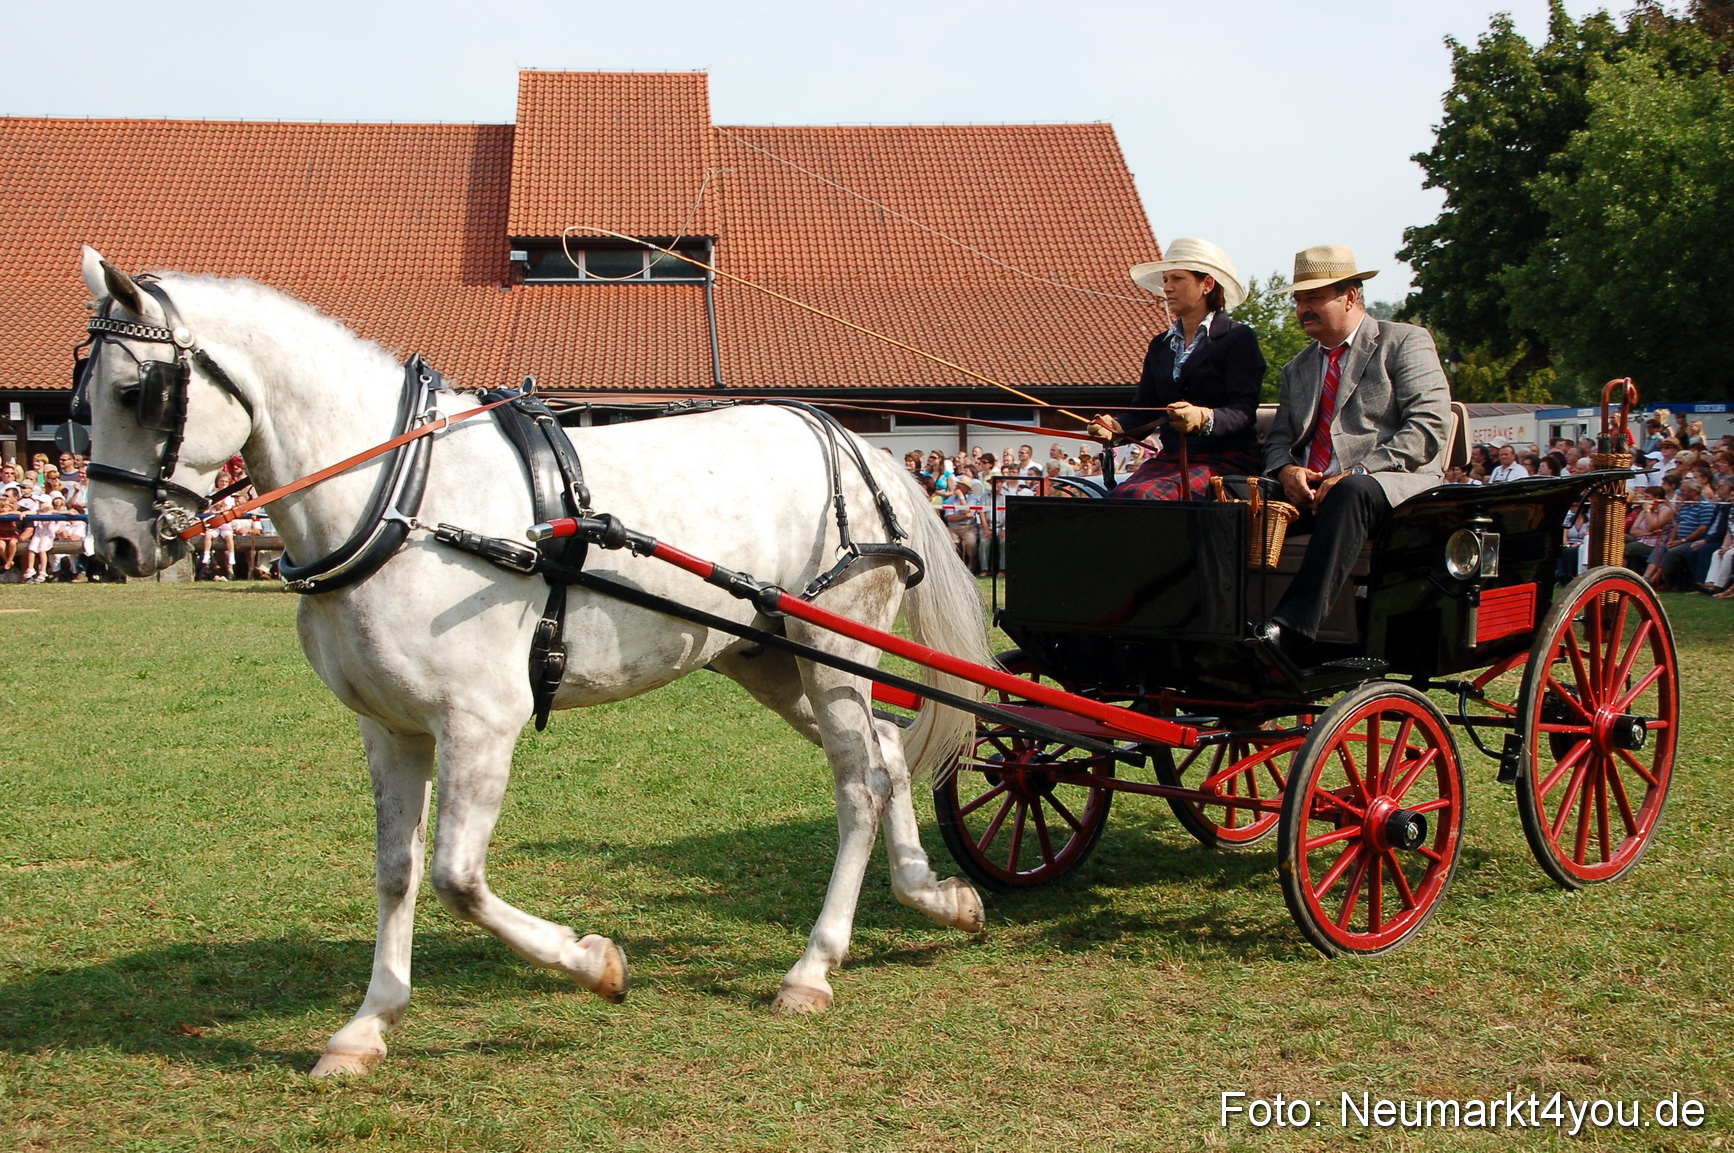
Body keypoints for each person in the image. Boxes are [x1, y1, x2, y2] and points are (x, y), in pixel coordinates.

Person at [1256, 245, 1451, 655]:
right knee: (1237, 495)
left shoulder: (1404, 342)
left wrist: (1361, 470)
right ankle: (1225, 621)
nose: (1302, 308)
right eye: (1298, 300)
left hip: (1390, 485)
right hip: (1314, 491)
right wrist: (1286, 472)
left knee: (1350, 491)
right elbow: (1278, 440)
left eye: (1312, 297)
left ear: (1350, 295)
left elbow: (1428, 427)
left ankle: (1292, 630)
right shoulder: (1298, 368)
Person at [1088, 238, 1266, 500]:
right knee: (1118, 499)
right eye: (1166, 280)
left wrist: (1203, 417)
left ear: (1207, 284)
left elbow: (1243, 409)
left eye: (1177, 279)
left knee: (1141, 497)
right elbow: (1144, 410)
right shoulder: (1160, 345)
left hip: (1226, 460)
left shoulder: (1238, 338)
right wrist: (1114, 427)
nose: (1167, 288)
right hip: (1172, 457)